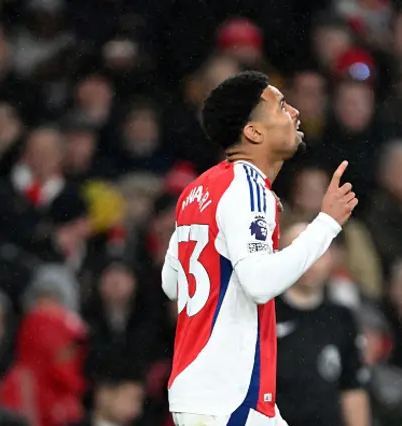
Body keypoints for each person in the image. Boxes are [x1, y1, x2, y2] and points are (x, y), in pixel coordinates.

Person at [160, 71, 358, 426]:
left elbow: (172, 285)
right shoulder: (249, 187)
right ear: (253, 132)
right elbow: (259, 283)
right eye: (281, 106)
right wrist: (326, 224)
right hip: (230, 395)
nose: (295, 111)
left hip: (202, 391)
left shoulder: (196, 191)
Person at [274, 222, 370, 426]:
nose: (310, 262)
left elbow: (352, 387)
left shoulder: (342, 317)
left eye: (317, 253)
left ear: (331, 258)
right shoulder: (264, 313)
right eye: (299, 251)